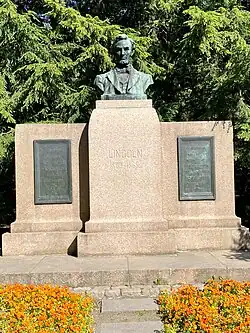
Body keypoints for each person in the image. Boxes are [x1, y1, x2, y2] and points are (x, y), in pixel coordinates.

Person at [94, 34, 153, 99]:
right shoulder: (101, 79)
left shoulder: (145, 79)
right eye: (118, 50)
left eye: (126, 49)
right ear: (113, 52)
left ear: (132, 51)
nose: (122, 53)